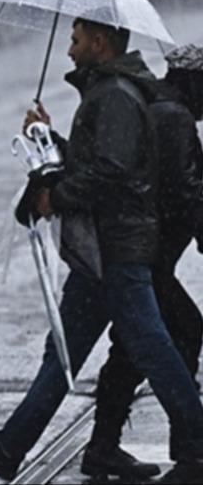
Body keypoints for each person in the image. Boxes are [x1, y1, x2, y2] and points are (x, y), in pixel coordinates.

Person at [0, 18, 203, 482]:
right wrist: (48, 139)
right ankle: (10, 448)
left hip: (118, 250)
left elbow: (112, 171)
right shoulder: (111, 92)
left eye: (75, 40)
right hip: (101, 253)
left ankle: (197, 445)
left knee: (153, 348)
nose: (69, 51)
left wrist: (56, 197)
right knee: (65, 353)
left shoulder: (115, 96)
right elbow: (102, 160)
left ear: (100, 42)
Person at [83, 43, 203, 479]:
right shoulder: (174, 117)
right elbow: (182, 191)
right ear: (192, 80)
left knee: (134, 347)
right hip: (146, 256)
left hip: (141, 254)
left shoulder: (159, 106)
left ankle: (103, 445)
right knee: (181, 332)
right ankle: (190, 445)